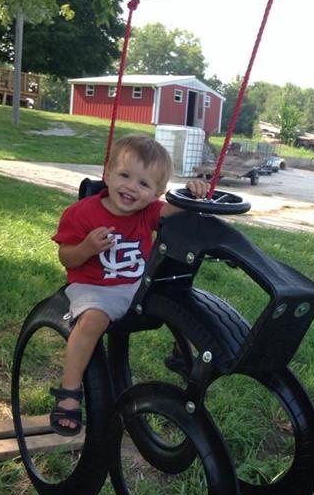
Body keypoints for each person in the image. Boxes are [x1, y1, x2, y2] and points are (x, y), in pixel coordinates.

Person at [50, 134, 209, 436]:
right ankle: (69, 392)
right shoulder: (81, 213)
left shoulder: (148, 212)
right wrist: (86, 247)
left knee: (182, 300)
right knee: (92, 321)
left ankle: (183, 355)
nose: (131, 187)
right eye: (124, 175)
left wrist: (192, 194)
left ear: (156, 193)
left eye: (144, 184)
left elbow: (177, 211)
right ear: (108, 173)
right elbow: (66, 258)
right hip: (94, 286)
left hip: (135, 285)